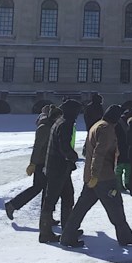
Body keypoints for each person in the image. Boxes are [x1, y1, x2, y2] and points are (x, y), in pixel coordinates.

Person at [60, 105, 132, 248]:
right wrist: (95, 174)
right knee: (115, 205)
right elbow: (99, 153)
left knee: (81, 207)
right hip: (103, 177)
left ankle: (67, 236)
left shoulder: (97, 125)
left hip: (92, 177)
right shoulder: (106, 129)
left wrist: (91, 176)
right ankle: (125, 236)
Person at [5, 104, 61, 220]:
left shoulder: (48, 125)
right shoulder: (44, 127)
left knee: (45, 189)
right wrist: (33, 163)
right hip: (41, 163)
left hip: (46, 162)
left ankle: (46, 216)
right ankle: (13, 204)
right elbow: (37, 147)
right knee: (39, 188)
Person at [39, 99, 81, 243]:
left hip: (58, 167)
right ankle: (45, 233)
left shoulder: (60, 121)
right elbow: (64, 147)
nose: (78, 114)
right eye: (76, 111)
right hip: (58, 168)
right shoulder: (65, 124)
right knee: (51, 200)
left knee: (68, 196)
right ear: (71, 111)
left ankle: (68, 228)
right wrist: (73, 156)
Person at [115, 109, 131, 192]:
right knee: (128, 168)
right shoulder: (130, 123)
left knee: (119, 168)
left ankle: (119, 185)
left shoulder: (116, 123)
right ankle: (127, 183)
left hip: (119, 148)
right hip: (127, 148)